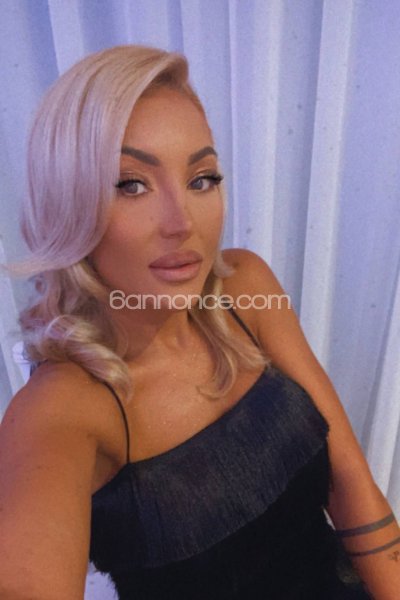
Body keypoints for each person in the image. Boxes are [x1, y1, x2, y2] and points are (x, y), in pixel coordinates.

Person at [0, 45, 398, 600]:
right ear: (68, 204)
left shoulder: (247, 288)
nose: (182, 222)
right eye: (131, 184)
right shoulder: (60, 409)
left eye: (202, 178)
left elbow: (350, 482)